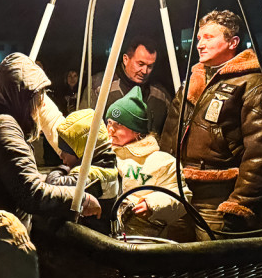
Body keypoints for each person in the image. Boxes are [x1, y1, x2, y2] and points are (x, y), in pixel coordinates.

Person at [160, 10, 262, 236]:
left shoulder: (254, 84)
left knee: (213, 266)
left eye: (209, 37)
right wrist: (159, 178)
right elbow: (169, 134)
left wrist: (239, 205)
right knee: (168, 260)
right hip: (178, 192)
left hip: (216, 201)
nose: (200, 44)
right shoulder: (194, 81)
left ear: (233, 42)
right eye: (199, 38)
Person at [0, 53, 100, 226]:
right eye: (38, 96)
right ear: (23, 96)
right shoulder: (4, 128)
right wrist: (78, 198)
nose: (40, 104)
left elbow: (13, 178)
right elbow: (30, 194)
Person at [105, 87, 187, 241]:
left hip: (143, 239)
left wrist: (152, 205)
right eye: (109, 122)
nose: (111, 129)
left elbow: (180, 196)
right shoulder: (104, 155)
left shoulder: (162, 162)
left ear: (137, 131)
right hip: (105, 236)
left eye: (119, 125)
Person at [44, 109, 120, 236]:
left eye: (65, 151)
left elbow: (54, 185)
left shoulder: (93, 175)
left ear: (82, 152)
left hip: (87, 243)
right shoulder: (106, 165)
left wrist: (62, 168)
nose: (61, 156)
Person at [92, 38, 169, 135]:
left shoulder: (160, 95)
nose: (145, 71)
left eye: (150, 66)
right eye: (140, 64)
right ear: (126, 59)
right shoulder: (101, 87)